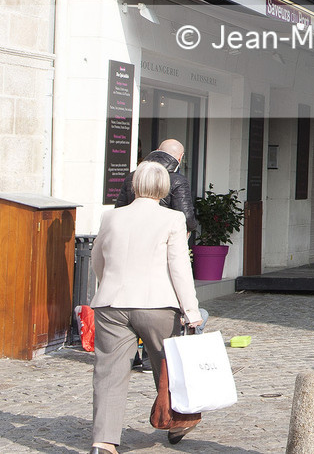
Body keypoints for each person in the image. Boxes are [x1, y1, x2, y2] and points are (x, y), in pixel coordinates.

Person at [91, 162, 204, 454]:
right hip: (157, 304)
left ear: (134, 185)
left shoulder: (111, 217)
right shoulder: (173, 219)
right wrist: (191, 311)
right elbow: (179, 267)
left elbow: (97, 259)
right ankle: (177, 420)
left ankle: (103, 442)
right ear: (164, 187)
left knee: (109, 373)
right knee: (168, 367)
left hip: (112, 303)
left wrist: (109, 284)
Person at [118, 139, 200, 242]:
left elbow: (120, 208)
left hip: (131, 237)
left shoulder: (133, 176)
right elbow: (187, 218)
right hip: (163, 240)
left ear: (157, 150)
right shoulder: (178, 180)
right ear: (180, 157)